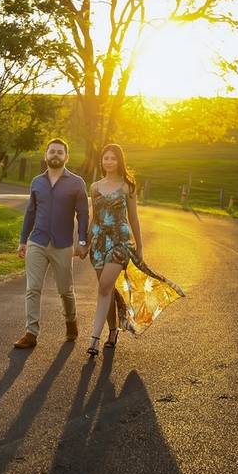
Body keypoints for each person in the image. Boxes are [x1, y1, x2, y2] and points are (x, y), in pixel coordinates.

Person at [87, 143, 175, 356]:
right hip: (99, 242)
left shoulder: (128, 186)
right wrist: (84, 242)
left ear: (120, 161)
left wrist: (140, 246)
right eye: (105, 158)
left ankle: (93, 340)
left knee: (105, 286)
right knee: (106, 289)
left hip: (120, 242)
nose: (108, 161)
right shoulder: (95, 187)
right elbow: (93, 219)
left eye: (113, 158)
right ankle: (113, 330)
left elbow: (134, 218)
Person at [14, 138, 89, 349]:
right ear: (45, 155)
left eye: (59, 152)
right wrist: (23, 240)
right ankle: (31, 333)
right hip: (37, 242)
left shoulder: (77, 183)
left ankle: (71, 321)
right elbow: (30, 213)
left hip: (63, 244)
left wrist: (82, 241)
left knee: (65, 290)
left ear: (66, 157)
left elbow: (83, 214)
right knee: (33, 288)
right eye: (52, 152)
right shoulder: (37, 182)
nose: (55, 155)